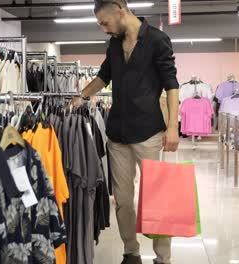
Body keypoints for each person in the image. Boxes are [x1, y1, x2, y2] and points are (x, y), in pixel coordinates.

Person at [73, 0, 180, 263]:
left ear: (120, 10)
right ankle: (131, 252)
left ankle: (163, 257)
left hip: (149, 132)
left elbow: (171, 84)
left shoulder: (157, 39)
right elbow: (103, 76)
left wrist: (173, 126)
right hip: (118, 134)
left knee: (158, 199)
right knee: (122, 200)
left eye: (104, 22)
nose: (103, 28)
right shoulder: (113, 44)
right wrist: (82, 96)